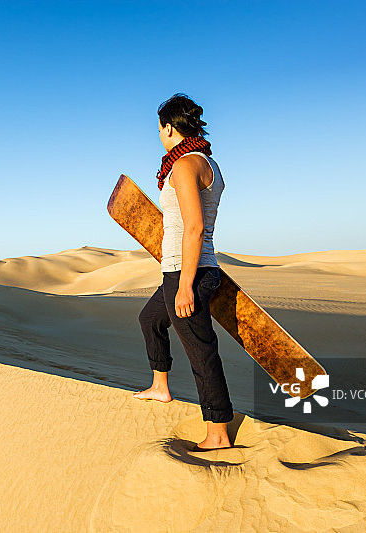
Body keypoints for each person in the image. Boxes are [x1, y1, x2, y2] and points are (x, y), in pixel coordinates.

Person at [132, 93, 235, 452]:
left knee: (199, 349)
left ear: (170, 127)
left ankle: (218, 432)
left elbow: (193, 226)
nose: (159, 134)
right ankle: (160, 386)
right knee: (150, 319)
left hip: (186, 271)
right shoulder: (208, 162)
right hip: (185, 269)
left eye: (160, 128)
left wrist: (186, 286)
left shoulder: (185, 166)